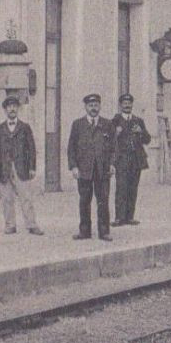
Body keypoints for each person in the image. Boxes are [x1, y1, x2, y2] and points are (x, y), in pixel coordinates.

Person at [0, 96, 44, 235]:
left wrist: (32, 167)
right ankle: (10, 225)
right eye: (9, 107)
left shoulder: (25, 128)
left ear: (18, 109)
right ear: (5, 110)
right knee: (7, 198)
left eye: (15, 106)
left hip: (22, 167)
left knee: (26, 197)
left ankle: (31, 225)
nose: (12, 109)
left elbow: (31, 149)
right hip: (4, 168)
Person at [66, 93, 115, 241]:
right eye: (90, 105)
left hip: (103, 169)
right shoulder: (78, 124)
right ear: (86, 107)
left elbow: (114, 147)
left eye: (96, 105)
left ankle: (104, 231)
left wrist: (112, 164)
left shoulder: (108, 124)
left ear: (99, 106)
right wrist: (74, 167)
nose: (93, 108)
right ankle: (84, 231)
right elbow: (71, 148)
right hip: (84, 170)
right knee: (84, 201)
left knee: (103, 201)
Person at [111, 93, 151, 226]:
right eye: (124, 103)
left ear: (132, 105)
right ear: (120, 105)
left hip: (136, 159)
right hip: (122, 159)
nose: (127, 105)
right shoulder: (115, 121)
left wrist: (141, 131)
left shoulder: (138, 121)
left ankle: (129, 217)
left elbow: (147, 140)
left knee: (133, 188)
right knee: (121, 187)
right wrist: (115, 133)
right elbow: (108, 140)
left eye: (129, 103)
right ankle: (119, 217)